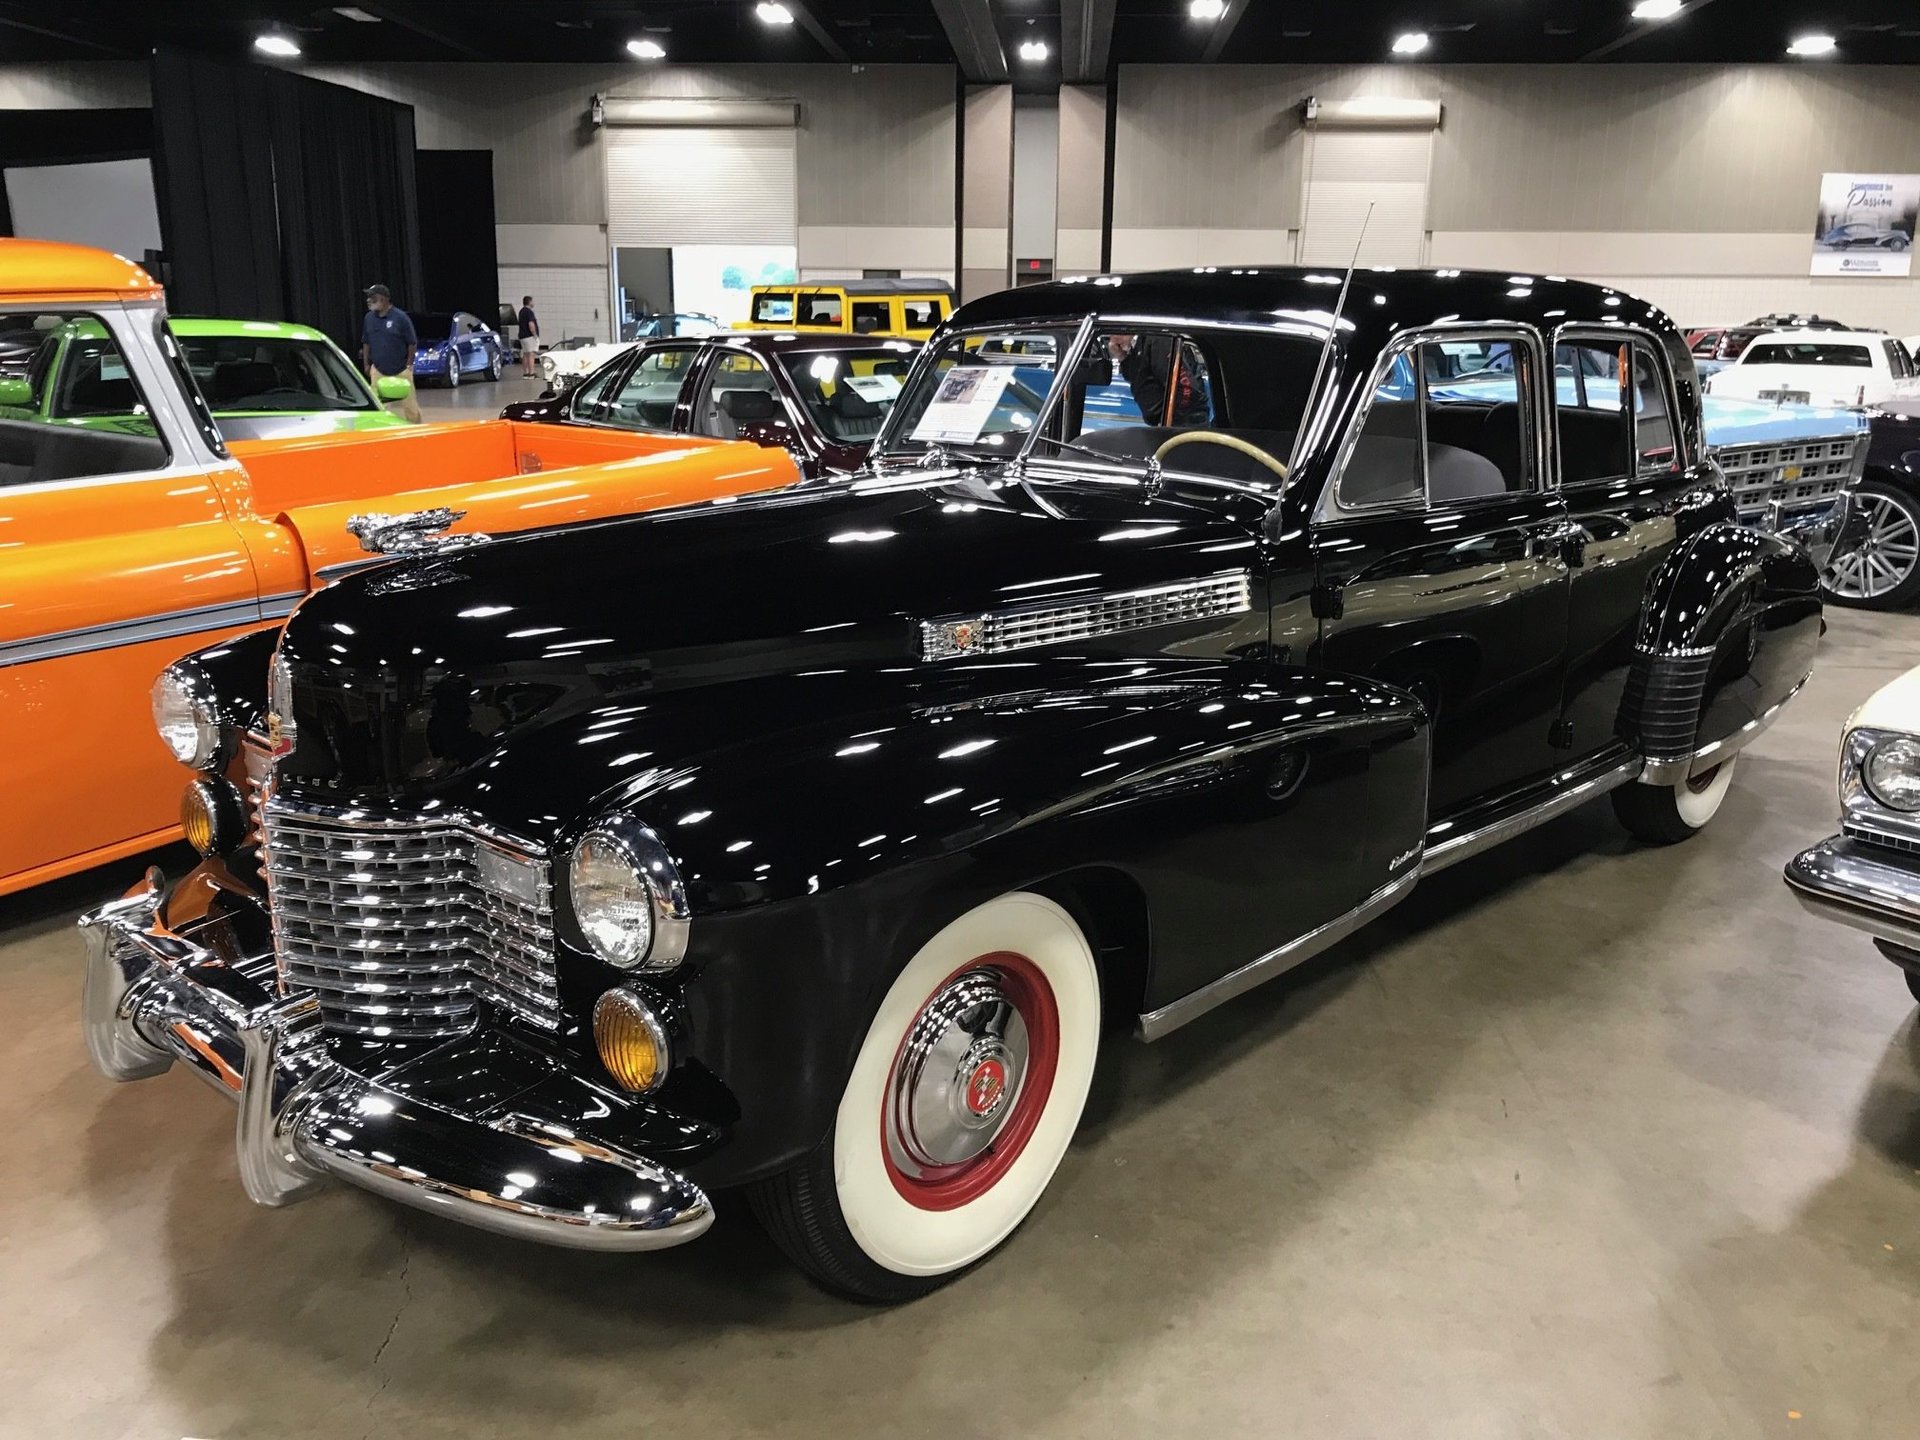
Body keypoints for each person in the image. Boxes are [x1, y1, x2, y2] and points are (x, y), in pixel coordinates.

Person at [1107, 332, 1210, 428]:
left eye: (1112, 334)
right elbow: (1138, 379)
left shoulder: (1159, 342)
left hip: (1184, 426)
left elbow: (1186, 389)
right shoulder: (1138, 347)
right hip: (1162, 425)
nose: (1111, 340)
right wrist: (1122, 357)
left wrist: (1169, 422)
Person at [359, 284, 420, 422]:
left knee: (410, 407)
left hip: (401, 370)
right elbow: (366, 342)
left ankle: (416, 431)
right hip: (378, 371)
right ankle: (380, 431)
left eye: (372, 297)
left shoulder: (400, 317)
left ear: (383, 299)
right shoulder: (368, 318)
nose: (369, 300)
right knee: (378, 407)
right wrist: (367, 365)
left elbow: (412, 342)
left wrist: (409, 363)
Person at [516, 294, 540, 377]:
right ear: (529, 302)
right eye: (532, 301)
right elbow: (531, 324)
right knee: (531, 354)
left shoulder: (521, 311)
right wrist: (535, 335)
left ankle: (526, 373)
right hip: (529, 336)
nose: (533, 303)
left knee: (525, 354)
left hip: (522, 336)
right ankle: (531, 373)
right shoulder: (529, 312)